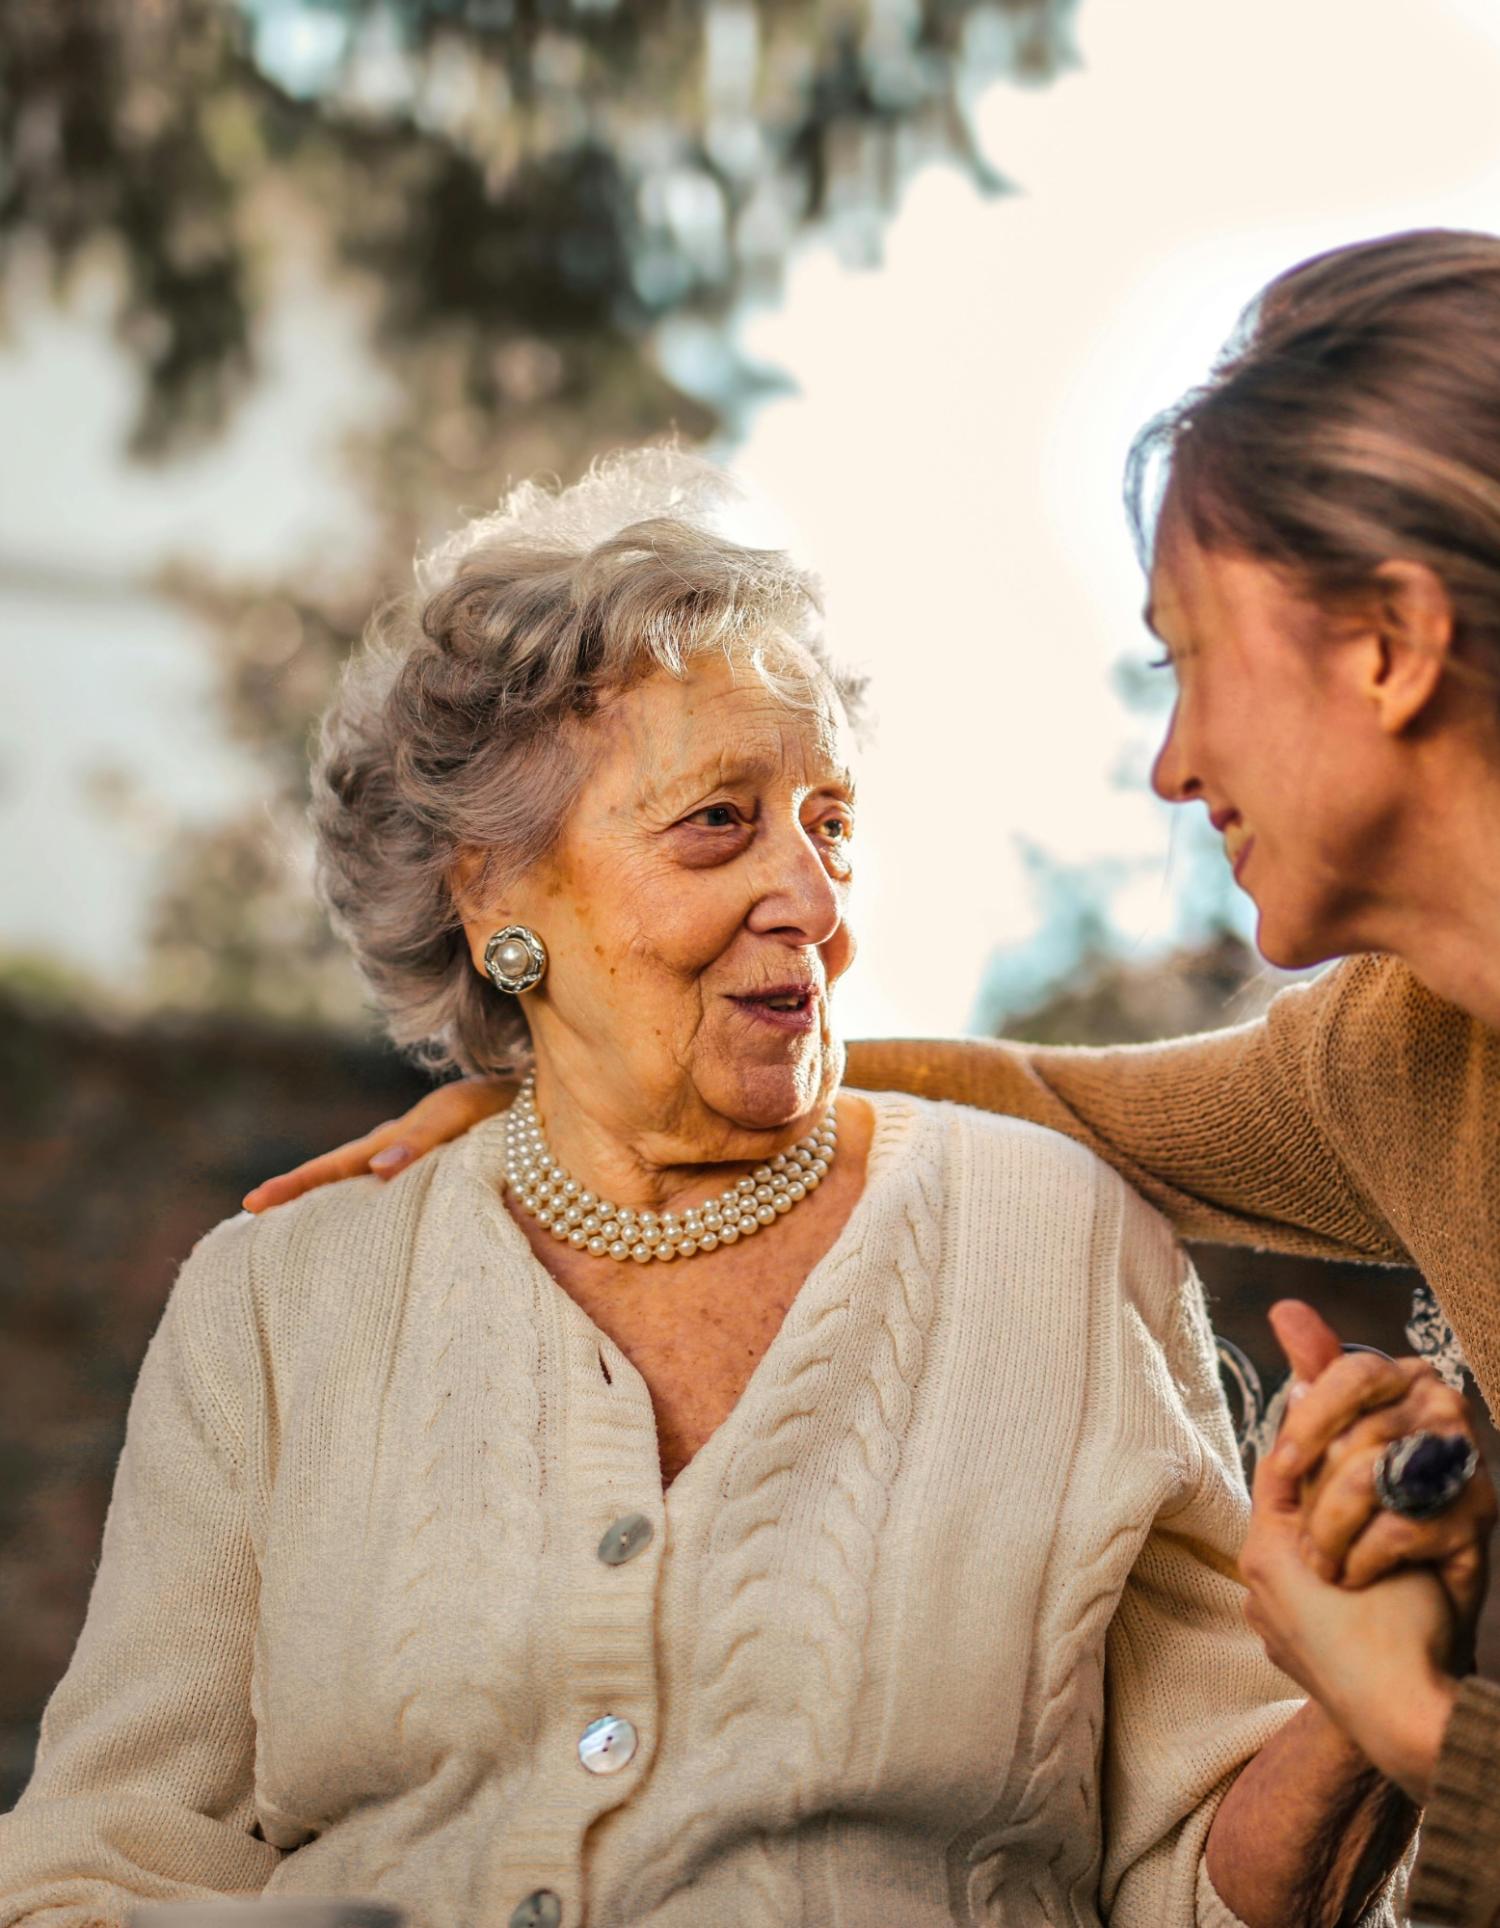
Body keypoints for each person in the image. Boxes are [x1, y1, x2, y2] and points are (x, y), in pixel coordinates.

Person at [0, 451, 1443, 1927]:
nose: (816, 906)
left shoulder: (1058, 1243)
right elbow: (94, 1871)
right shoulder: (279, 1299)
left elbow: (1205, 1890)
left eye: (832, 823)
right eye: (718, 823)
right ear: (491, 890)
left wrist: (1367, 1695)